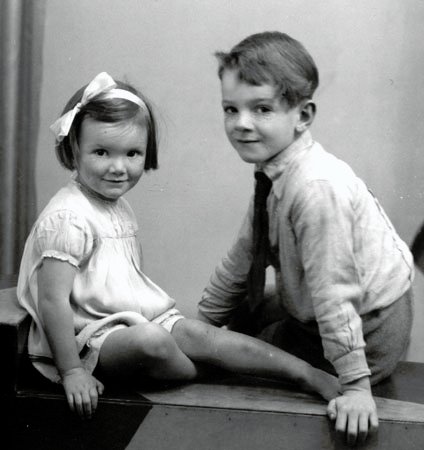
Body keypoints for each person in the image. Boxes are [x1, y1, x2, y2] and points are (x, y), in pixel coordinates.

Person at [17, 72, 339, 421]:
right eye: (101, 152)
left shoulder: (116, 207)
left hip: (129, 321)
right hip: (85, 340)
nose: (118, 168)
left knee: (201, 334)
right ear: (73, 149)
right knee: (152, 341)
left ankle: (305, 373)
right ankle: (216, 371)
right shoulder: (69, 216)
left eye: (132, 153)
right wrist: (72, 371)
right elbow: (52, 301)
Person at [197, 32, 414, 445]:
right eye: (231, 109)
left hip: (371, 328)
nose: (241, 123)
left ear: (303, 115)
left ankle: (332, 371)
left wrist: (355, 387)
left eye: (261, 109)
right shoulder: (275, 167)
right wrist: (200, 327)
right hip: (329, 304)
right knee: (237, 318)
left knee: (244, 353)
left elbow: (335, 292)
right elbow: (242, 257)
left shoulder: (315, 188)